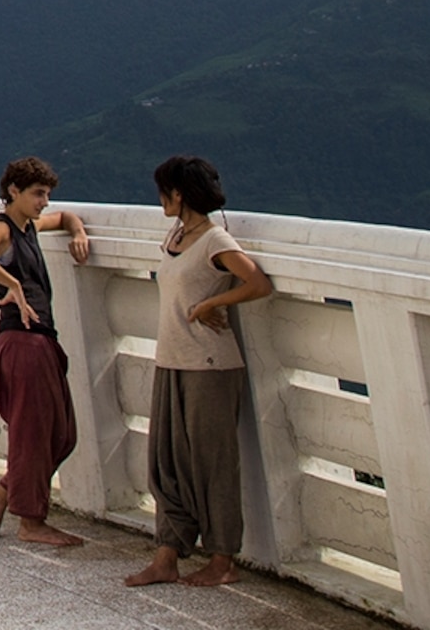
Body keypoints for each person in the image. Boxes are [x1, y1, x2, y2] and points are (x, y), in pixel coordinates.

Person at [126, 154, 273, 588]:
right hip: (171, 360)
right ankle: (167, 556)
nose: (160, 201)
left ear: (178, 194)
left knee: (213, 465)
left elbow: (258, 284)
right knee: (165, 464)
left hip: (210, 365)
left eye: (163, 193)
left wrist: (212, 303)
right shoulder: (176, 235)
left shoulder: (214, 240)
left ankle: (223, 560)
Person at [0, 156, 92, 546]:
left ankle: (1, 494)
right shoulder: (2, 229)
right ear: (13, 192)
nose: (44, 202)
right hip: (22, 342)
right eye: (37, 194)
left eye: (47, 194)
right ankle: (31, 523)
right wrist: (12, 285)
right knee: (34, 434)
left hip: (40, 340)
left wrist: (79, 231)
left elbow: (66, 217)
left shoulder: (27, 225)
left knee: (62, 435)